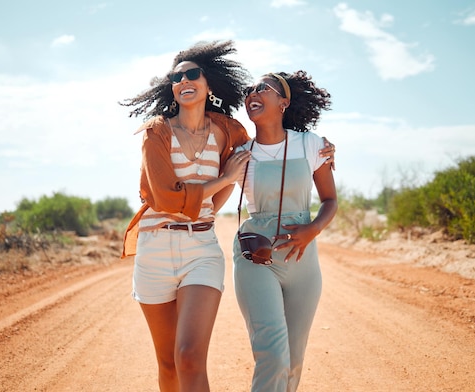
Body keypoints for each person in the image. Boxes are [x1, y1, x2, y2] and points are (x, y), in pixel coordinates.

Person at [119, 40, 336, 391]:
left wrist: (325, 152)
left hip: (229, 251)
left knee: (207, 357)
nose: (184, 80)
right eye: (177, 76)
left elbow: (280, 153)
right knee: (174, 362)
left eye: (192, 74)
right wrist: (221, 181)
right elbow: (170, 195)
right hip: (182, 250)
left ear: (209, 83)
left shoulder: (238, 134)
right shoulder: (176, 136)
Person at [232, 70, 337, 392]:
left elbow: (330, 200)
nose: (254, 93)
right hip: (257, 257)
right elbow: (213, 190)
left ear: (284, 102)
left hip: (303, 259)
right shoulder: (240, 154)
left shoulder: (311, 144)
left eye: (263, 88)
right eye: (250, 90)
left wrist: (313, 229)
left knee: (293, 360)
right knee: (273, 356)